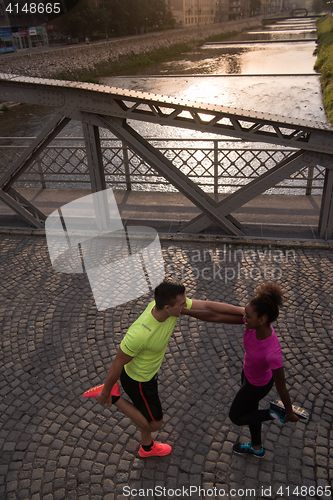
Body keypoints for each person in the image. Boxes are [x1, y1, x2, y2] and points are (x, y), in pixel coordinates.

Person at [96, 279, 243, 457]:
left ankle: (147, 448)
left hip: (148, 374)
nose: (186, 306)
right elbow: (117, 363)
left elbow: (207, 306)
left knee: (145, 412)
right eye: (182, 304)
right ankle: (114, 396)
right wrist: (105, 392)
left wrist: (243, 312)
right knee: (155, 423)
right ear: (167, 307)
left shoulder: (167, 309)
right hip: (139, 381)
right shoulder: (140, 334)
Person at [182, 282, 299, 458]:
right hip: (248, 373)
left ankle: (275, 412)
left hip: (258, 385)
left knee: (236, 417)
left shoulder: (272, 352)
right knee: (252, 412)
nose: (244, 317)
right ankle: (257, 448)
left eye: (248, 316)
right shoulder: (253, 323)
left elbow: (281, 387)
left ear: (263, 319)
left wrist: (288, 412)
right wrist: (184, 311)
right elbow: (216, 316)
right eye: (244, 313)